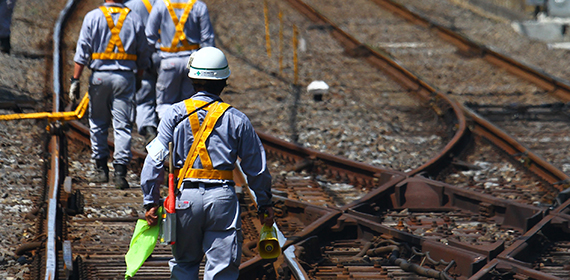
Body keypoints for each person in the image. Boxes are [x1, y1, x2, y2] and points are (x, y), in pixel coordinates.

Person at [141, 47, 274, 280]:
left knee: (184, 264)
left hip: (184, 199)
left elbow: (154, 160)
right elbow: (257, 168)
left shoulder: (174, 114)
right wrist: (264, 203)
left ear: (191, 78)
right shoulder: (237, 118)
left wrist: (150, 201)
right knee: (222, 268)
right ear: (224, 81)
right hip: (222, 199)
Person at [69, 0, 151, 189]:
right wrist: (138, 78)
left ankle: (101, 170)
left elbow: (82, 51)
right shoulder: (134, 18)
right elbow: (143, 54)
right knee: (122, 126)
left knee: (98, 122)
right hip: (125, 77)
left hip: (99, 77)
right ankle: (120, 173)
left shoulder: (92, 17)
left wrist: (76, 80)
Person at [145, 0, 215, 120]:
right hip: (192, 62)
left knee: (165, 103)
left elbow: (150, 36)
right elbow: (207, 39)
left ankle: (167, 132)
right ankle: (188, 133)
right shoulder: (198, 6)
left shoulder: (160, 5)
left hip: (168, 61)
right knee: (189, 103)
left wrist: (149, 59)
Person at [125, 0, 159, 145]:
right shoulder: (170, 3)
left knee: (144, 98)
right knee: (169, 98)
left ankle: (150, 130)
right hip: (169, 55)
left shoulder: (132, 5)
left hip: (144, 55)